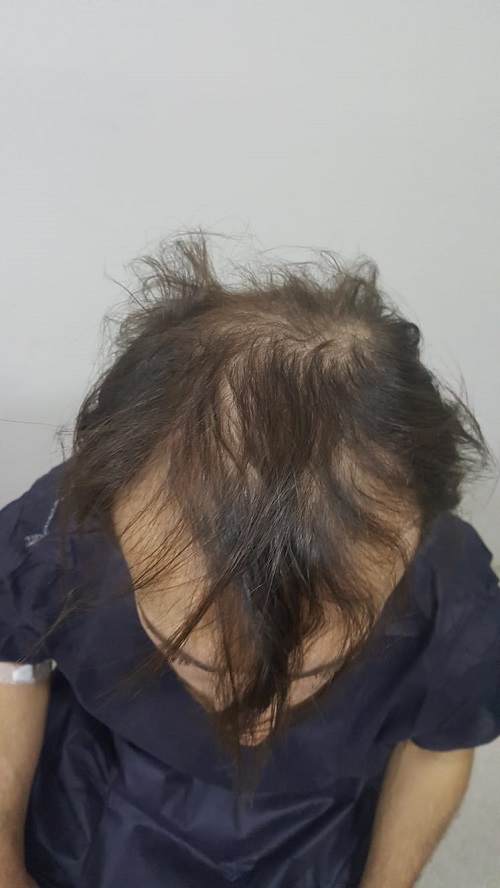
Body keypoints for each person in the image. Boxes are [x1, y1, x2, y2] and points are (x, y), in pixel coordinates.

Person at [1, 232, 499, 888]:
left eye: (313, 670)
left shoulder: (451, 598)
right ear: (111, 521)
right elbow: (12, 662)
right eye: (192, 659)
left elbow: (440, 744)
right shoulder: (61, 532)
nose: (253, 725)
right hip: (103, 789)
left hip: (314, 820)